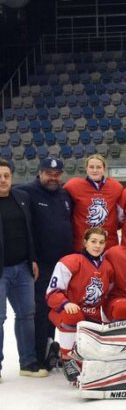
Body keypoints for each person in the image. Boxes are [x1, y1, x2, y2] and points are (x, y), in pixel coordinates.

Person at [17, 156, 73, 370]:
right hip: (41, 265)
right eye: (49, 173)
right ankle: (37, 357)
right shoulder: (26, 192)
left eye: (57, 174)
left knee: (57, 310)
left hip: (64, 265)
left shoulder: (64, 194)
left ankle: (51, 349)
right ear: (39, 172)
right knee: (40, 310)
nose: (53, 177)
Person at [0, 159, 48, 379]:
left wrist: (33, 259)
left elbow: (29, 232)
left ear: (11, 177)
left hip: (23, 267)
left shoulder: (21, 198)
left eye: (6, 176)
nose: (2, 180)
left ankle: (28, 362)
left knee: (27, 314)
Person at [47, 227, 114, 381]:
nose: (97, 246)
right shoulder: (70, 261)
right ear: (85, 242)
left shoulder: (107, 267)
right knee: (74, 315)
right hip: (65, 313)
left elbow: (107, 295)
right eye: (93, 241)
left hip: (91, 316)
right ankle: (66, 359)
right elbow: (51, 294)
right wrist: (65, 303)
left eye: (101, 242)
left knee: (94, 359)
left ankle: (57, 351)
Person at [64, 154, 123, 250]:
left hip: (109, 243)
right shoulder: (73, 186)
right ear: (86, 168)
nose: (95, 170)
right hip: (82, 244)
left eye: (98, 167)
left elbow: (122, 216)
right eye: (91, 167)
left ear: (104, 169)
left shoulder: (116, 187)